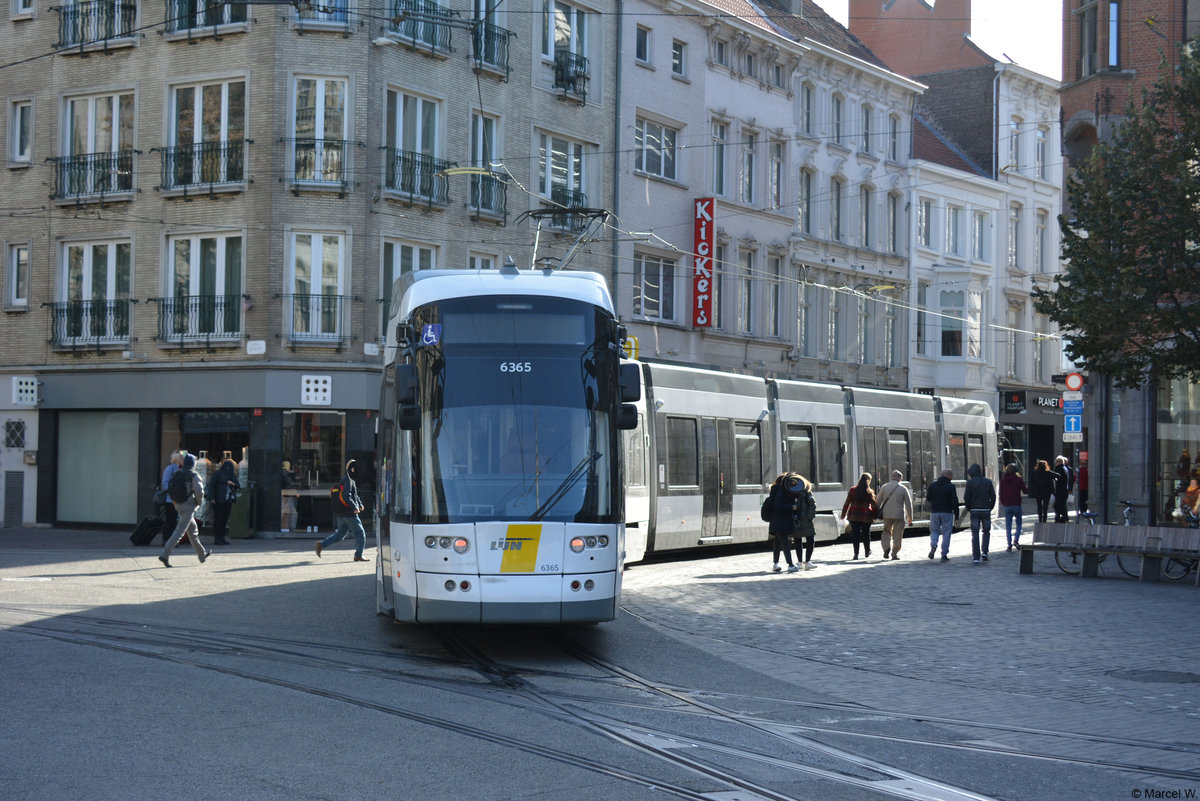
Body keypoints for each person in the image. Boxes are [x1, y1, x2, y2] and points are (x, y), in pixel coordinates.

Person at [159, 453, 210, 568]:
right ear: (193, 464)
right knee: (180, 531)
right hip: (189, 505)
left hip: (177, 503)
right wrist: (199, 502)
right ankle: (164, 554)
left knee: (192, 531)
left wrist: (174, 501)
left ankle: (202, 555)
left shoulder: (177, 473)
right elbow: (199, 491)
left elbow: (169, 487)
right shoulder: (194, 475)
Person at [315, 459, 368, 562]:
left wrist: (360, 505)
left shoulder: (347, 479)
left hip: (341, 513)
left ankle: (321, 545)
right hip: (349, 513)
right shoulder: (348, 480)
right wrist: (355, 508)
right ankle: (358, 555)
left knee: (340, 535)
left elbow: (354, 495)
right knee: (360, 533)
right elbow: (346, 496)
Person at [777, 472, 818, 570]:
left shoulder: (790, 492)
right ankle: (804, 562)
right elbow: (813, 505)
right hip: (799, 521)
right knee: (803, 541)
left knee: (803, 541)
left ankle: (804, 561)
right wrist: (809, 517)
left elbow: (812, 505)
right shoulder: (806, 491)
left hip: (799, 521)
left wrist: (808, 517)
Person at [765, 473, 800, 573]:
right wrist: (791, 507)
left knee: (777, 543)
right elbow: (778, 506)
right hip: (781, 522)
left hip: (777, 521)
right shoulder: (781, 492)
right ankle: (790, 564)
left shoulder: (777, 490)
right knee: (785, 543)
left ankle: (775, 564)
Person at [875, 470, 913, 560]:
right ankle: (894, 553)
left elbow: (878, 502)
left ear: (891, 477)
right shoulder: (903, 488)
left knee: (886, 532)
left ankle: (886, 548)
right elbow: (908, 504)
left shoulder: (884, 487)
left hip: (886, 515)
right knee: (898, 534)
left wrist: (875, 513)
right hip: (899, 515)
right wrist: (910, 518)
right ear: (900, 478)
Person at [963, 464, 996, 563]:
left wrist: (969, 508)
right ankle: (985, 552)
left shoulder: (970, 483)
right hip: (985, 510)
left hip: (974, 510)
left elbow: (966, 497)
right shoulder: (988, 482)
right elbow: (993, 496)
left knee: (975, 533)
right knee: (986, 531)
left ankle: (976, 556)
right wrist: (990, 507)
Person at [840, 472, 876, 560]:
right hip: (865, 516)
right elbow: (874, 505)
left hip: (853, 516)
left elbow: (846, 504)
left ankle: (856, 554)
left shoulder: (852, 490)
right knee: (866, 534)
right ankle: (867, 552)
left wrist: (843, 515)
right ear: (869, 481)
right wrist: (874, 515)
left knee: (855, 535)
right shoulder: (870, 492)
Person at [206, 458, 241, 546]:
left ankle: (222, 537)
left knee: (225, 519)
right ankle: (217, 538)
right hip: (218, 500)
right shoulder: (217, 473)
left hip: (228, 500)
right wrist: (212, 498)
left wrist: (232, 483)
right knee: (218, 519)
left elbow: (237, 485)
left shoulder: (232, 474)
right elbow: (212, 485)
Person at [926, 469, 959, 562]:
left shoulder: (933, 485)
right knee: (946, 533)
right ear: (950, 476)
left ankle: (933, 545)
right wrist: (957, 515)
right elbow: (954, 501)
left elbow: (928, 499)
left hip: (934, 512)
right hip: (947, 512)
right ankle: (944, 554)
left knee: (934, 531)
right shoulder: (951, 486)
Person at [998, 463, 1029, 551]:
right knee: (1019, 524)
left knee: (1008, 526)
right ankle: (1016, 540)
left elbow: (1001, 493)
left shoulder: (1003, 480)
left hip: (1007, 505)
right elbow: (1025, 491)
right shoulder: (1018, 479)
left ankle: (1009, 544)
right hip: (1016, 504)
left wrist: (1003, 502)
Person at [158, 450, 184, 545]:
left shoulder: (182, 469)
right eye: (182, 458)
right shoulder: (170, 469)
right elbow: (165, 484)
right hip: (171, 499)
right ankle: (166, 539)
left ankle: (173, 540)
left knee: (176, 521)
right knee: (170, 520)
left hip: (180, 499)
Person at [1052, 455, 1074, 523]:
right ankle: (1064, 517)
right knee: (1062, 504)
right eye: (1056, 461)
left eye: (1057, 461)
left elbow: (1058, 478)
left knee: (1058, 504)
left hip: (1060, 489)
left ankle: (1059, 517)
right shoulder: (1065, 468)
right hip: (1064, 489)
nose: (1056, 462)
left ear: (1061, 462)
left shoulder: (1059, 468)